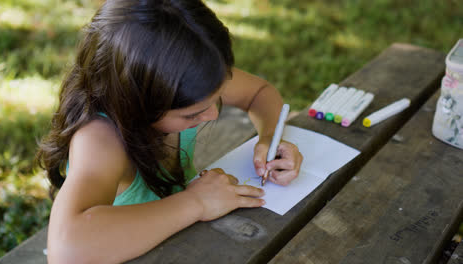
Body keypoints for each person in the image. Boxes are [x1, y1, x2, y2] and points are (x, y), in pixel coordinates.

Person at [37, 0, 303, 263]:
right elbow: (66, 250)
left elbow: (259, 92)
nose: (213, 115)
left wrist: (269, 137)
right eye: (191, 114)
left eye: (218, 97)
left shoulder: (184, 80)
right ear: (136, 104)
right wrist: (196, 203)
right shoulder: (99, 138)